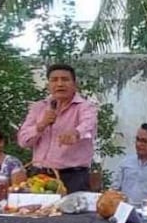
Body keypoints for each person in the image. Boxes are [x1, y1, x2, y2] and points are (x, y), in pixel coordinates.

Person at [17, 64, 98, 193]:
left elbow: (88, 125)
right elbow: (23, 141)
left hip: (73, 177)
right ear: (48, 84)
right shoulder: (39, 107)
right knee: (39, 212)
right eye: (54, 80)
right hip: (40, 176)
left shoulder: (85, 107)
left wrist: (75, 133)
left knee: (72, 212)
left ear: (74, 84)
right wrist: (41, 125)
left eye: (65, 79)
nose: (60, 84)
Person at [112, 123, 147, 204]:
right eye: (137, 139)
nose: (138, 144)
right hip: (123, 210)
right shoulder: (126, 163)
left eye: (144, 141)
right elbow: (114, 189)